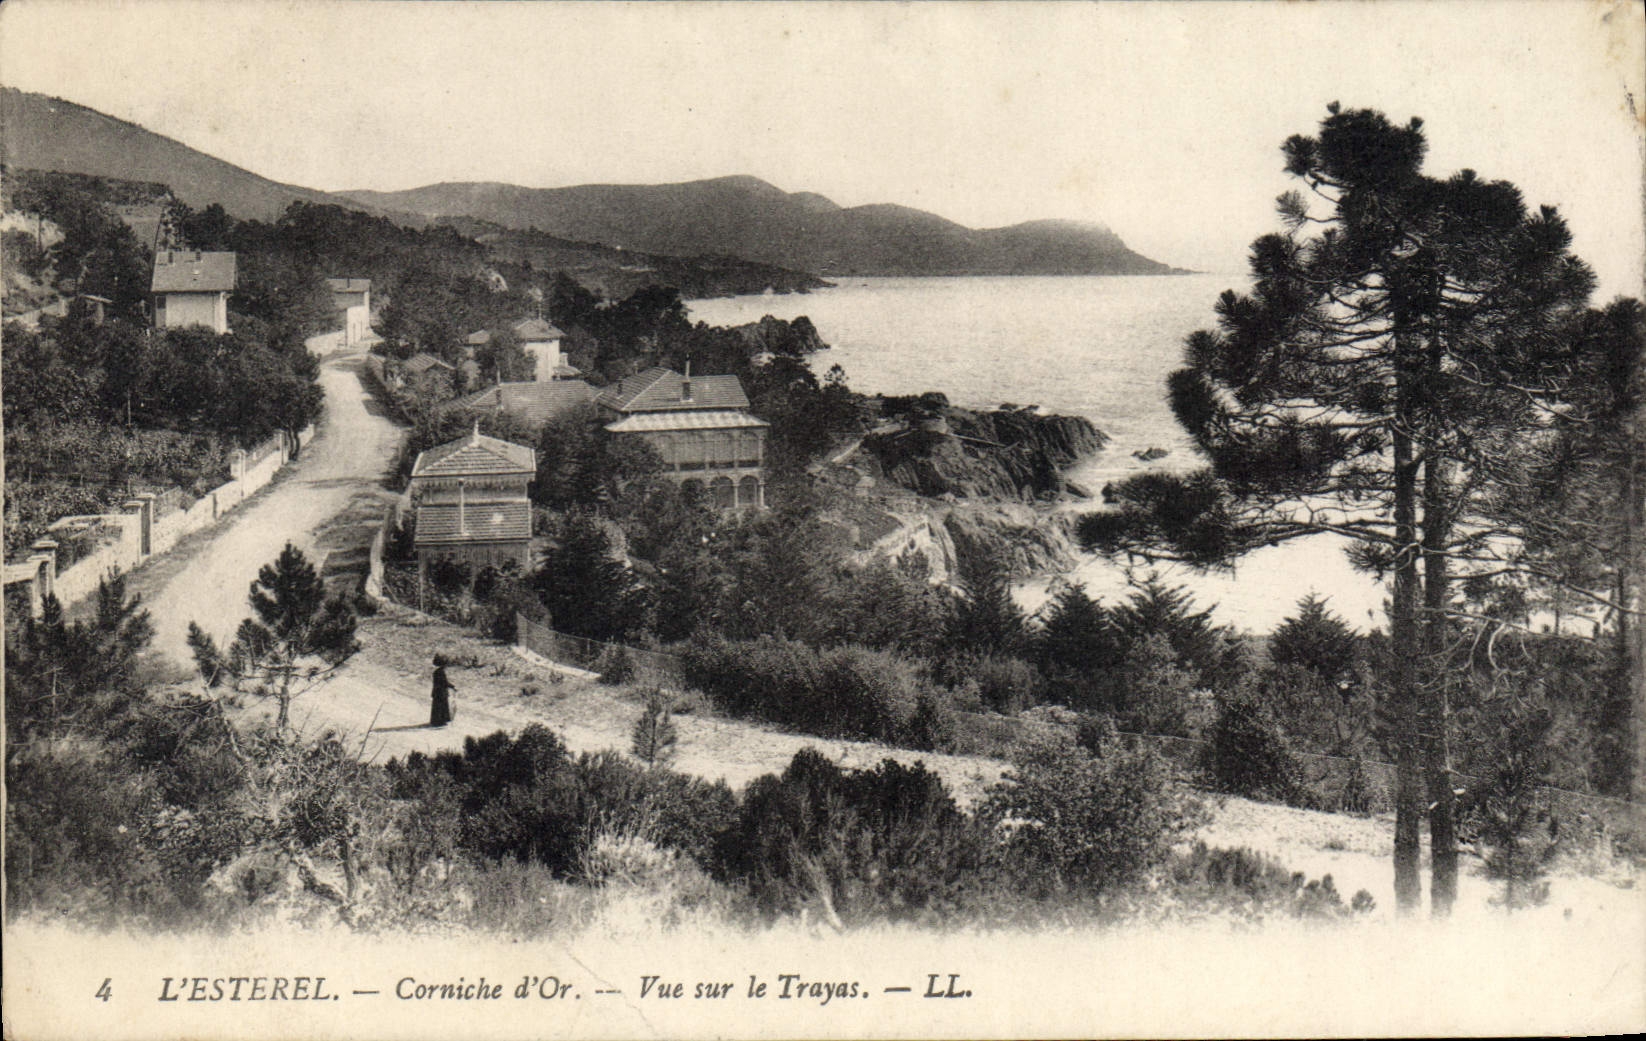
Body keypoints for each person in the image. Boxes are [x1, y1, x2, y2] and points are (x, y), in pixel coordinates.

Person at [429, 655, 455, 727]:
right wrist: (452, 686)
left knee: (437, 706)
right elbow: (444, 682)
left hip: (437, 692)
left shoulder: (437, 671)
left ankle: (436, 721)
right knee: (441, 706)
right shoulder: (441, 672)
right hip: (441, 692)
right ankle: (440, 722)